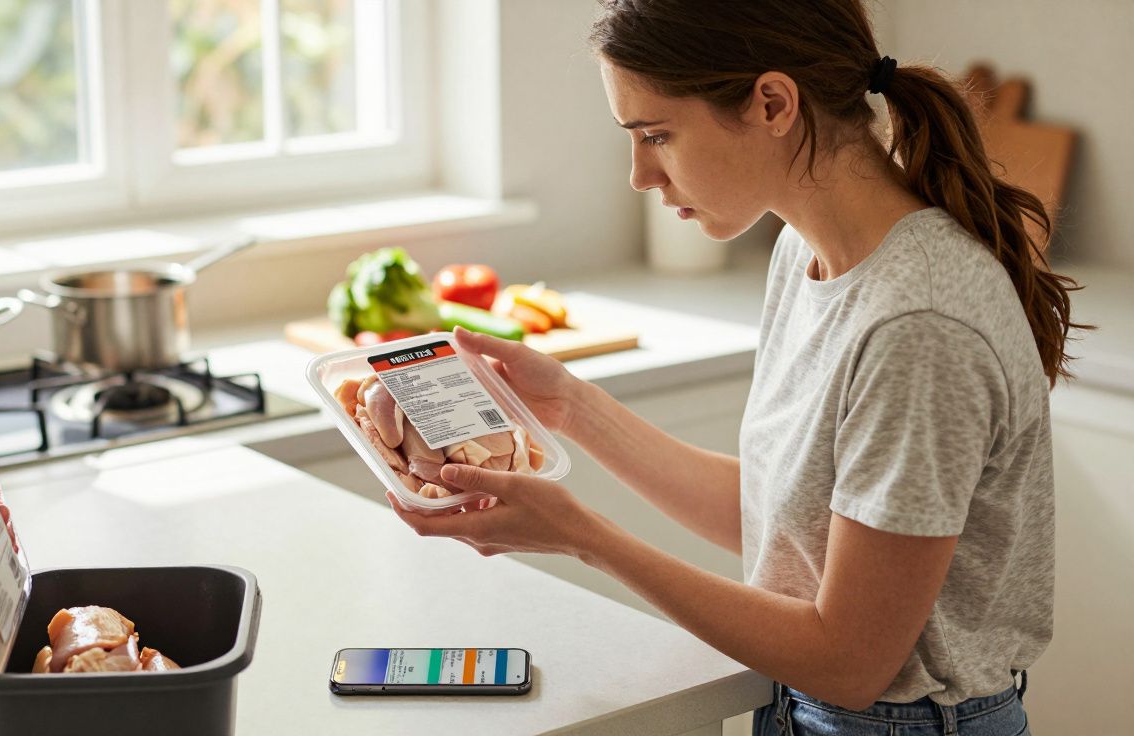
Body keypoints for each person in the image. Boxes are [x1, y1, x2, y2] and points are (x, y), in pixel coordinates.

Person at [387, 1, 1089, 734]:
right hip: (808, 708)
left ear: (773, 104)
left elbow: (851, 661)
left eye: (656, 134)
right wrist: (569, 405)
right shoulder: (807, 254)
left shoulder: (917, 326)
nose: (639, 174)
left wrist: (582, 536)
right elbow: (786, 522)